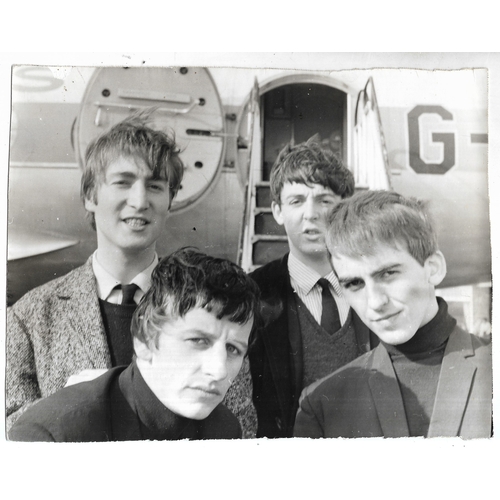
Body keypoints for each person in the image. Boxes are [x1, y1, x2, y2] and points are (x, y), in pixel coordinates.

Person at [6, 113, 256, 437]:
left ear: (170, 199)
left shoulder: (214, 308)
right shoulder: (29, 317)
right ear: (90, 196)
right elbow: (10, 435)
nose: (139, 202)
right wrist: (79, 400)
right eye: (123, 182)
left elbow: (241, 429)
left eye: (155, 186)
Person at [294, 190, 492, 438]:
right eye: (355, 284)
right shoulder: (322, 403)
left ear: (433, 269)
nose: (375, 302)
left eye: (388, 274)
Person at [9, 248, 261, 441]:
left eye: (233, 349)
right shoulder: (54, 434)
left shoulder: (225, 429)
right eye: (198, 340)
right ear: (144, 342)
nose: (219, 370)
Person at [248, 138, 376, 438]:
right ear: (277, 211)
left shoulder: (375, 288)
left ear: (344, 207)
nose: (311, 213)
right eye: (296, 201)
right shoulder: (255, 293)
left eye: (325, 200)